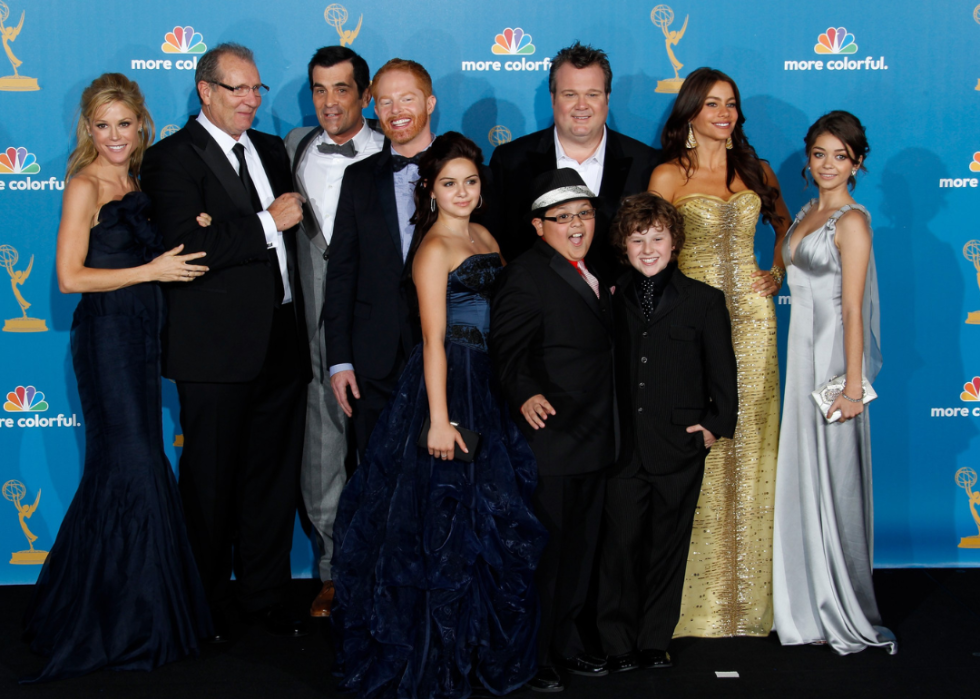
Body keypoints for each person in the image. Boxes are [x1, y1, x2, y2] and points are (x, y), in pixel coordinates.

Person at [331, 132, 547, 698]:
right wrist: (438, 419)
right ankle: (440, 654)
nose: (462, 192)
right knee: (446, 523)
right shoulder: (432, 249)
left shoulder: (485, 234)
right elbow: (432, 342)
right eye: (450, 183)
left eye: (470, 181)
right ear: (431, 189)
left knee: (490, 515)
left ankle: (480, 649)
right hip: (450, 384)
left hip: (490, 383)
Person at [22, 73, 212, 682]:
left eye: (123, 124)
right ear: (88, 128)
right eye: (101, 126)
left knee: (133, 465)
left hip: (140, 338)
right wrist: (149, 270)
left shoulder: (136, 180)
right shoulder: (83, 185)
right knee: (130, 463)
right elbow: (70, 278)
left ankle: (126, 609)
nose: (113, 137)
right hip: (105, 338)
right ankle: (121, 620)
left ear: (140, 124)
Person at [140, 43, 312, 641]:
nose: (250, 100)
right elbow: (191, 248)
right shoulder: (170, 159)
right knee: (210, 485)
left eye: (257, 89)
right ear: (204, 91)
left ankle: (263, 597)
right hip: (213, 351)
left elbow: (225, 240)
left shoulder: (270, 149)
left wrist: (233, 229)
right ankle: (203, 608)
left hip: (283, 341)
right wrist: (267, 222)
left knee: (270, 481)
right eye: (237, 89)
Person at [648, 66, 791, 638]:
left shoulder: (756, 171)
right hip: (692, 328)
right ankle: (691, 607)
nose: (724, 113)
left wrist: (775, 270)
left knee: (752, 447)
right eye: (711, 104)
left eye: (731, 103)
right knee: (700, 449)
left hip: (754, 325)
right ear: (688, 114)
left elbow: (785, 226)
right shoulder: (667, 175)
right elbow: (647, 251)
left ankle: (752, 604)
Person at [325, 58, 498, 457]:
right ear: (372, 107)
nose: (396, 111)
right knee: (376, 478)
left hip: (458, 361)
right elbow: (341, 272)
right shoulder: (359, 178)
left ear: (431, 102)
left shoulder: (470, 176)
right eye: (385, 102)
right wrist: (340, 361)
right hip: (375, 360)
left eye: (407, 99)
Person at [597, 193, 738, 673]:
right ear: (624, 246)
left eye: (658, 238)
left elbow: (723, 374)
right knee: (618, 550)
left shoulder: (704, 301)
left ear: (675, 242)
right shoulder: (608, 298)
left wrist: (715, 428)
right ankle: (616, 642)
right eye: (638, 240)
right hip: (621, 449)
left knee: (667, 548)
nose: (648, 248)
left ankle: (654, 640)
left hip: (678, 447)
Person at [772, 111, 895, 655]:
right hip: (799, 356)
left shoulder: (851, 222)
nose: (827, 164)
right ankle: (805, 602)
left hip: (831, 366)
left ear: (858, 162)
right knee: (804, 476)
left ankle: (842, 606)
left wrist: (850, 387)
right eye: (819, 154)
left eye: (839, 156)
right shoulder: (806, 212)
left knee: (836, 481)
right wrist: (770, 275)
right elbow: (791, 272)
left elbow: (850, 307)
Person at [490, 169, 616, 693]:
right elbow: (504, 350)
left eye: (583, 214)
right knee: (547, 554)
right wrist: (523, 393)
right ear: (540, 227)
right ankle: (535, 654)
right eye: (562, 218)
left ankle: (567, 645)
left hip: (597, 434)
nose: (576, 225)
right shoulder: (525, 274)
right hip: (553, 438)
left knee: (583, 550)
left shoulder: (598, 269)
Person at [284, 45, 384, 620]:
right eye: (319, 90)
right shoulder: (293, 146)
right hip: (310, 331)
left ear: (364, 96)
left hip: (373, 330)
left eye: (341, 89)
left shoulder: (396, 151)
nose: (329, 102)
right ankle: (330, 571)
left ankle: (382, 560)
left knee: (381, 445)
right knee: (321, 451)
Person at [489, 42, 660, 285]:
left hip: (621, 314)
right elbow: (497, 244)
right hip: (538, 310)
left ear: (607, 98)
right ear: (553, 98)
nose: (582, 105)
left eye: (592, 94)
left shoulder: (646, 163)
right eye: (570, 94)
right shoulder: (510, 161)